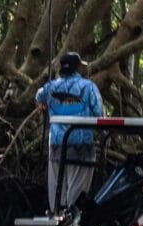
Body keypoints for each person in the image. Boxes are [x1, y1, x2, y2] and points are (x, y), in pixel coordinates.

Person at [35, 51, 104, 214]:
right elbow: (100, 115)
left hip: (57, 146)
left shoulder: (49, 87)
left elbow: (38, 97)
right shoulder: (88, 87)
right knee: (76, 196)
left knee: (57, 193)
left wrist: (45, 106)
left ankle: (56, 219)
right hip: (82, 148)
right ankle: (72, 225)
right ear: (78, 68)